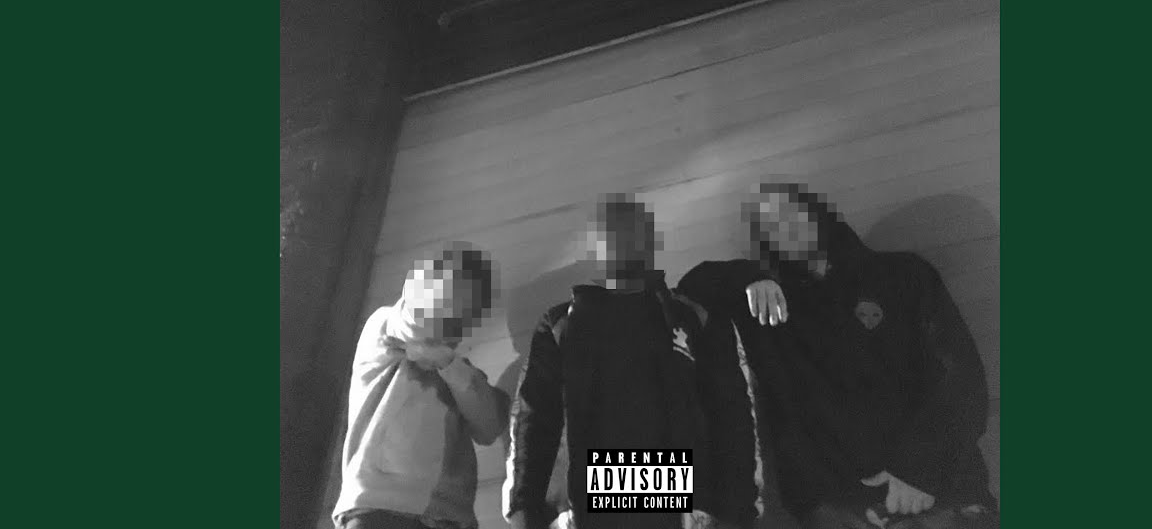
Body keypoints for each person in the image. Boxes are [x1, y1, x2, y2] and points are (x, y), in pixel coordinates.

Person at [676, 183, 998, 529]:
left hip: (944, 495)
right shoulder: (776, 309)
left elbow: (962, 378)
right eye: (770, 226)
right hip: (843, 510)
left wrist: (918, 469)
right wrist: (750, 277)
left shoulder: (903, 275)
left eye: (792, 214)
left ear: (818, 214)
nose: (785, 229)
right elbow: (694, 284)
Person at [503, 195, 760, 529]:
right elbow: (533, 419)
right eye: (608, 237)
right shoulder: (561, 324)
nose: (621, 245)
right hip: (586, 509)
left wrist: (739, 512)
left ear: (650, 244)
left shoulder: (693, 316)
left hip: (683, 510)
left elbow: (732, 412)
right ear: (593, 250)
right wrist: (523, 510)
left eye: (632, 235)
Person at [333, 243, 509, 529]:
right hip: (379, 510)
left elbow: (488, 427)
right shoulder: (384, 328)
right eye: (452, 296)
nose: (459, 315)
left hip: (448, 519)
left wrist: (448, 364)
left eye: (469, 308)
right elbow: (413, 324)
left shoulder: (460, 372)